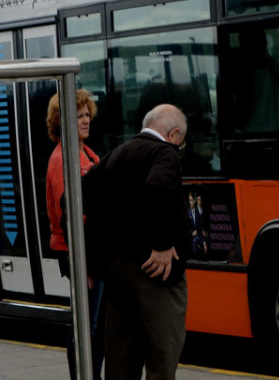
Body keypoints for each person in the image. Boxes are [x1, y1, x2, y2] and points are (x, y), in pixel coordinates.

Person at [82, 104, 190, 380]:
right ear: (174, 134)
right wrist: (163, 245)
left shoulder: (116, 154)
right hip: (154, 275)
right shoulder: (164, 152)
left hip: (117, 274)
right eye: (182, 141)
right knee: (163, 353)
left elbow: (75, 198)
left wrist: (91, 260)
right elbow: (158, 187)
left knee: (121, 358)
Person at [45, 89, 104, 380]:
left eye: (86, 115)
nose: (85, 120)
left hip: (91, 251)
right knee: (85, 325)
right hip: (80, 252)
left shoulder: (87, 153)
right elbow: (69, 215)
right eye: (78, 116)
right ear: (62, 121)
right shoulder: (62, 159)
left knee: (96, 323)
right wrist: (85, 263)